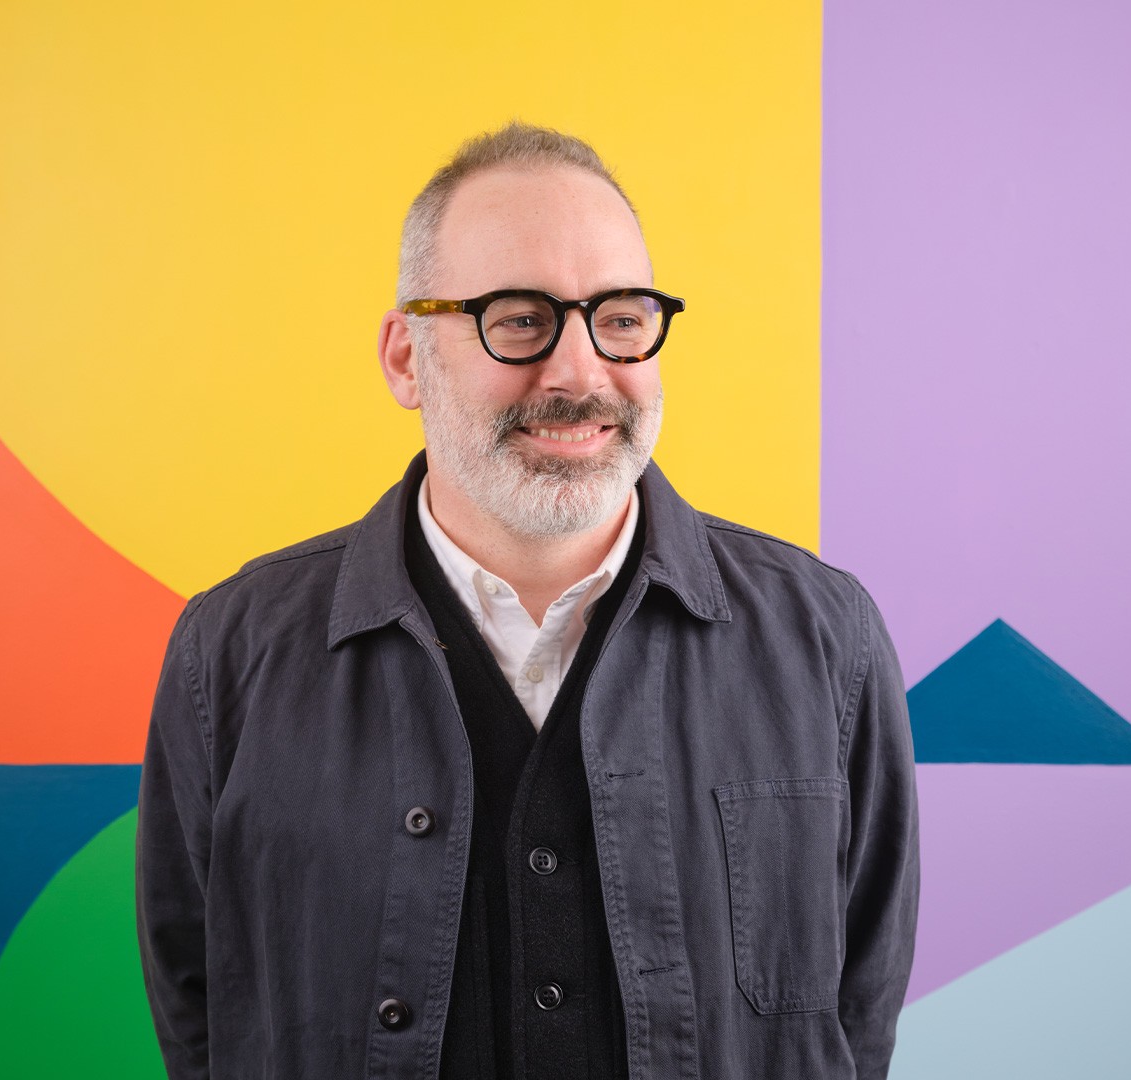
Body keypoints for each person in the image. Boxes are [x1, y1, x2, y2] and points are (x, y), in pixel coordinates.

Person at [136, 122, 919, 1080]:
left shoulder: (826, 643)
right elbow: (205, 1017)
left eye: (622, 318)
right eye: (517, 318)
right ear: (405, 359)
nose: (580, 372)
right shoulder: (232, 657)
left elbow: (858, 1013)